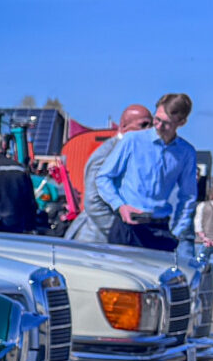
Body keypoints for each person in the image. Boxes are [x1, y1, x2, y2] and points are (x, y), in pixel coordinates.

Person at [96, 93, 197, 252]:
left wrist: (177, 231)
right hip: (127, 227)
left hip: (160, 231)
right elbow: (103, 177)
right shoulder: (132, 141)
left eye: (166, 123)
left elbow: (188, 196)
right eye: (157, 119)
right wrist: (119, 206)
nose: (158, 126)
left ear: (181, 122)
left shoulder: (186, 152)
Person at [68, 103, 152, 245]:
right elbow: (94, 202)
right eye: (143, 125)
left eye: (151, 126)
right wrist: (120, 234)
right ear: (124, 126)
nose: (149, 130)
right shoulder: (108, 153)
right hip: (95, 241)